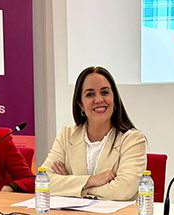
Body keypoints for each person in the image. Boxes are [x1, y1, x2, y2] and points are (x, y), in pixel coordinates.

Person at [43, 66, 146, 201]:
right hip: (71, 214)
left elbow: (123, 191)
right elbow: (43, 182)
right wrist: (92, 180)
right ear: (80, 104)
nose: (99, 100)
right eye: (90, 94)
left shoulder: (133, 139)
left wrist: (72, 185)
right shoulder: (66, 136)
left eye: (105, 92)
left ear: (114, 99)